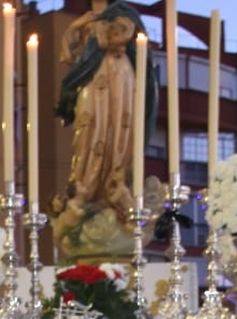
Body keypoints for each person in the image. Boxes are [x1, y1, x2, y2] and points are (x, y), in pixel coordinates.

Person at [52, 0, 154, 256]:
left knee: (121, 130)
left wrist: (112, 31)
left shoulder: (125, 14)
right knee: (88, 130)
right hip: (92, 79)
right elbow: (69, 54)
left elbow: (134, 41)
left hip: (121, 76)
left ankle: (116, 188)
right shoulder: (85, 19)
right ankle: (86, 191)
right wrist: (80, 25)